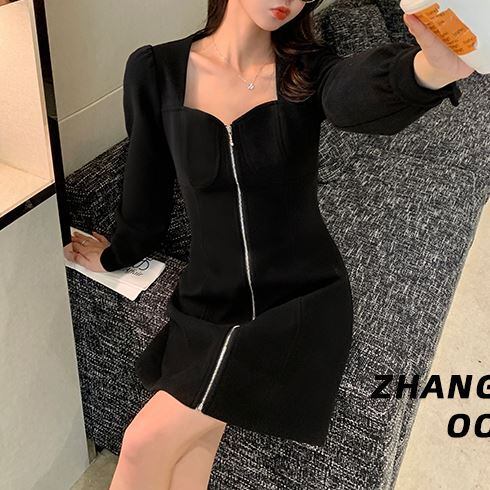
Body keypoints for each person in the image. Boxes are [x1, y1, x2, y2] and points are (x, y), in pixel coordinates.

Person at [64, 0, 473, 488]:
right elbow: (145, 189)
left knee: (143, 443)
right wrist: (115, 255)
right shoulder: (157, 70)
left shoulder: (308, 70)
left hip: (299, 302)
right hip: (208, 302)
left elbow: (353, 94)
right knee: (190, 453)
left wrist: (427, 70)